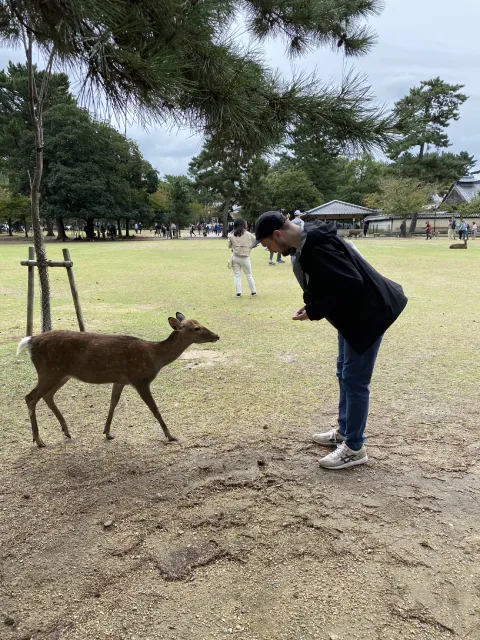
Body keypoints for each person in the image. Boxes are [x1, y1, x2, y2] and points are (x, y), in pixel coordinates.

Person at [253, 211, 407, 470]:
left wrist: (314, 311)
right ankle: (345, 431)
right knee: (343, 373)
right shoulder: (306, 241)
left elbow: (351, 284)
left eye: (268, 245)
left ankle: (355, 448)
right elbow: (330, 283)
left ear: (277, 234)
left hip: (368, 315)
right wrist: (312, 306)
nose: (272, 250)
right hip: (350, 316)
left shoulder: (316, 245)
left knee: (355, 381)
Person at [227, 217, 257, 298]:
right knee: (249, 275)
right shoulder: (248, 234)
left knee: (237, 275)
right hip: (245, 257)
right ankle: (253, 291)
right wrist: (250, 247)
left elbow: (229, 246)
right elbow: (256, 242)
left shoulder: (231, 234)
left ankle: (238, 293)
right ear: (244, 224)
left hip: (235, 256)